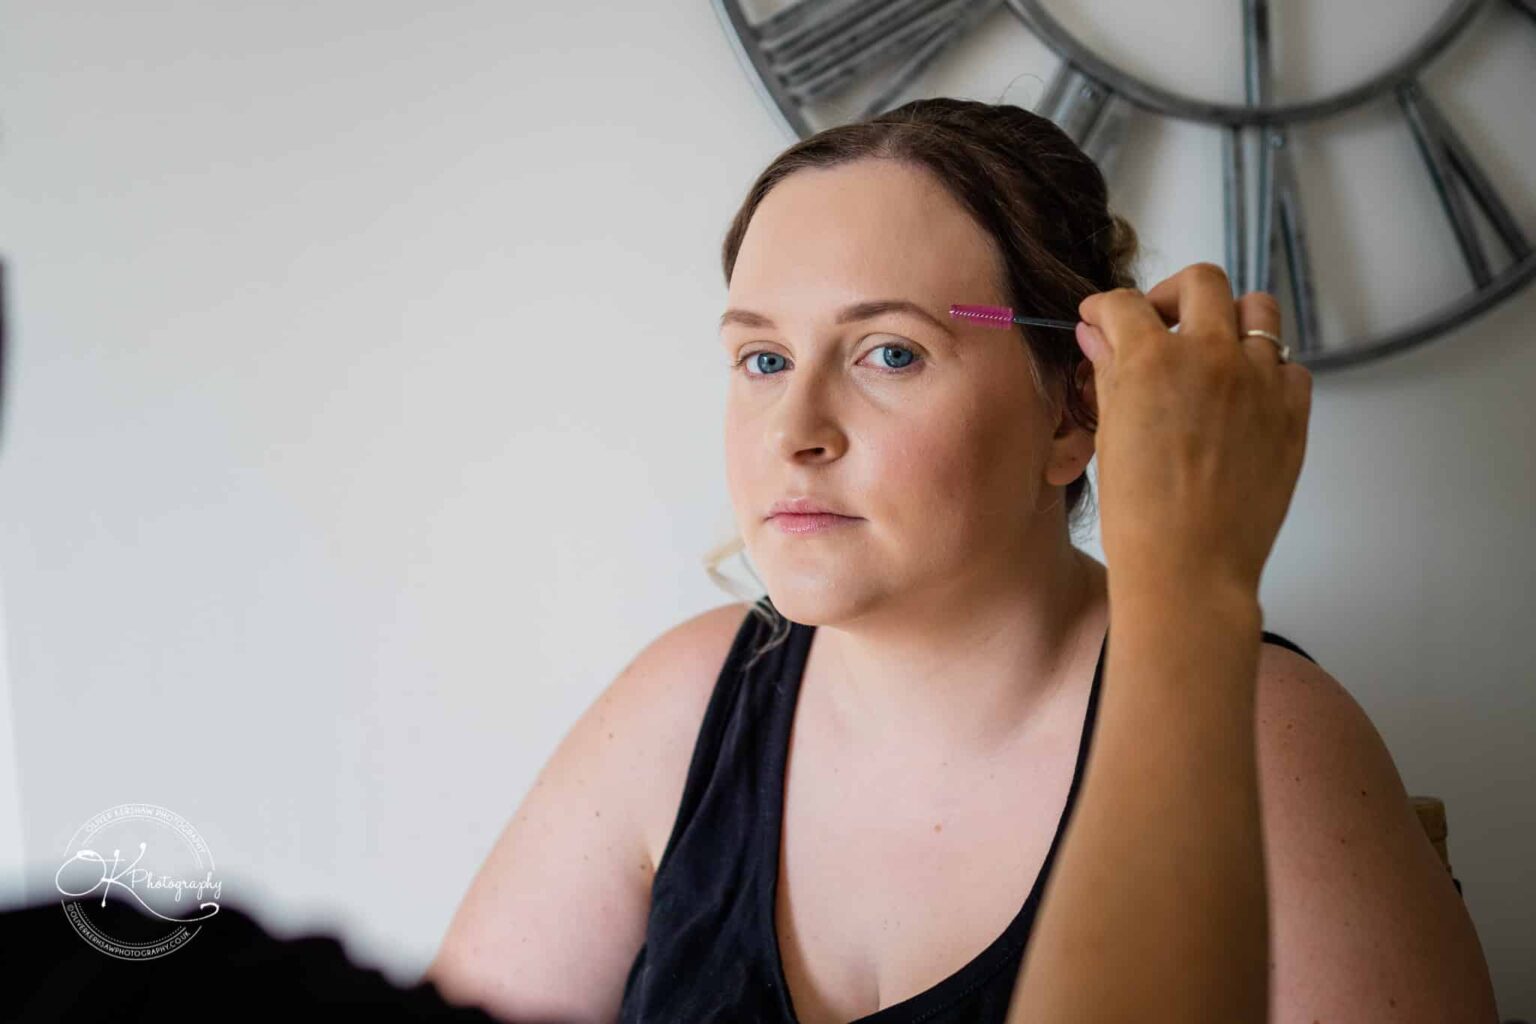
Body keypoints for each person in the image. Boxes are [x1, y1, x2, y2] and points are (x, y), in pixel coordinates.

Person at [425, 98, 1498, 1023]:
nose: (794, 429)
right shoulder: (686, 698)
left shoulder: (1269, 736)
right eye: (763, 357)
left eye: (889, 352)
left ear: (1075, 410)